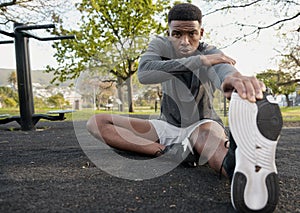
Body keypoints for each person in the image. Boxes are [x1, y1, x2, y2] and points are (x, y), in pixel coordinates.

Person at [87, 3, 282, 212]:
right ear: (168, 32)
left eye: (192, 34)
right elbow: (144, 73)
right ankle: (169, 152)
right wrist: (199, 61)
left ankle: (235, 162)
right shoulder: (161, 48)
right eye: (177, 34)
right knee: (96, 123)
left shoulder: (210, 52)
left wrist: (233, 81)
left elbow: (224, 69)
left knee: (208, 139)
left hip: (202, 124)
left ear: (202, 32)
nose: (185, 41)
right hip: (167, 126)